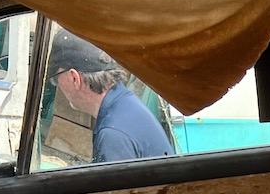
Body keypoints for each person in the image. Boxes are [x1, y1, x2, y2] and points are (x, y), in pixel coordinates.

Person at [47, 30, 176, 163]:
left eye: (56, 80)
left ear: (75, 78)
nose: (58, 87)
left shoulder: (113, 135)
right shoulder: (125, 104)